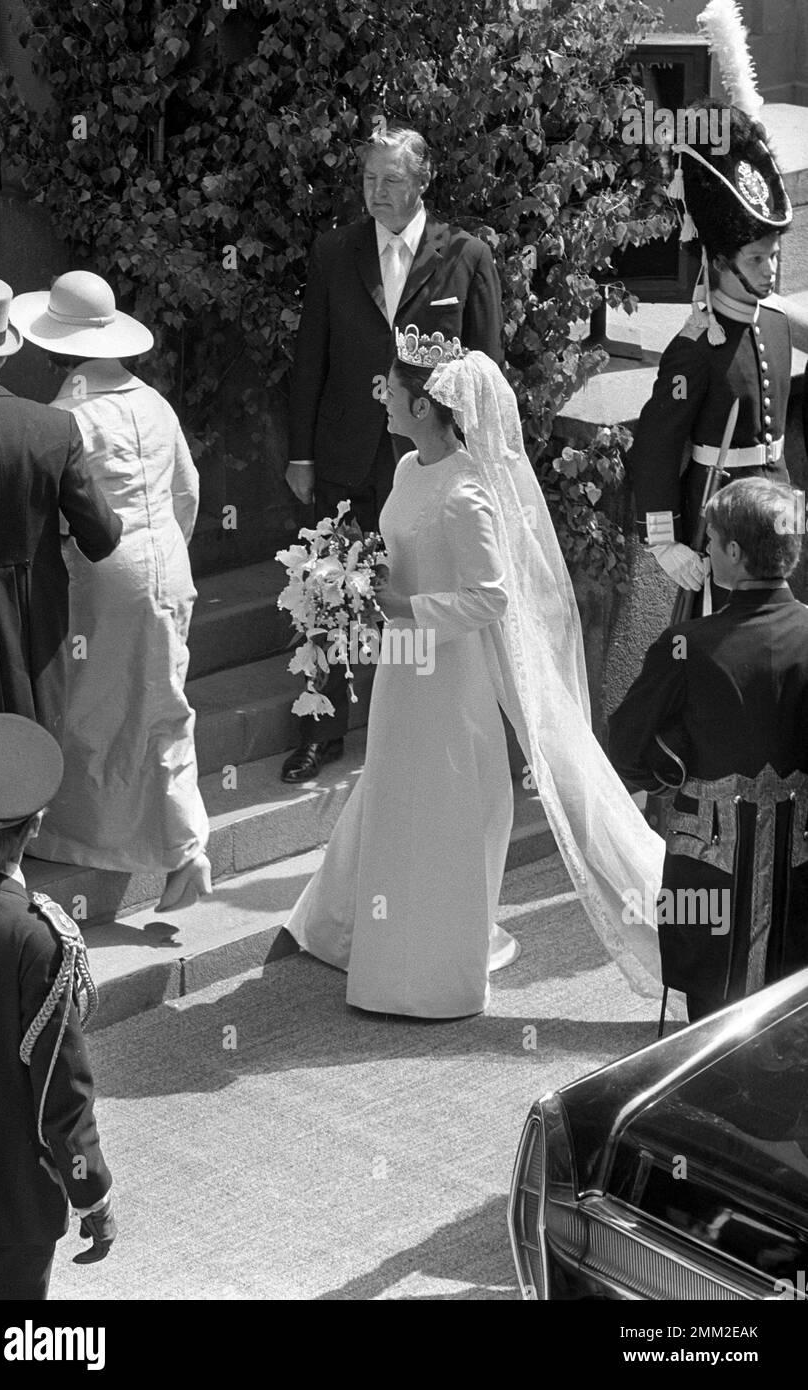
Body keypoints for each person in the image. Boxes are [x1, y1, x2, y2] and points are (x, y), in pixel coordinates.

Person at [284, 330, 666, 1018]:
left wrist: (404, 604)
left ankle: (430, 969)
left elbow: (491, 596)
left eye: (393, 394)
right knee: (396, 789)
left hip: (449, 676)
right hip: (405, 666)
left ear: (427, 407)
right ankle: (372, 931)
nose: (384, 402)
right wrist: (348, 581)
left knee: (441, 802)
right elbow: (397, 554)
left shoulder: (468, 494)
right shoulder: (406, 472)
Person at [281, 124, 504, 783]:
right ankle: (320, 731)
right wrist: (300, 453)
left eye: (392, 181)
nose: (377, 193)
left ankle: (407, 731)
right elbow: (310, 358)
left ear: (423, 182)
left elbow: (486, 369)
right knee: (328, 586)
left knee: (417, 591)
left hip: (431, 460)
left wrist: (481, 460)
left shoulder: (466, 254)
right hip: (345, 449)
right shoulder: (333, 251)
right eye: (369, 179)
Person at [9, 272, 211, 910]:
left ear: (58, 349)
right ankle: (181, 846)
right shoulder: (154, 401)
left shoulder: (63, 415)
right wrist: (166, 552)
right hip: (167, 565)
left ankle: (120, 841)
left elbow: (54, 517)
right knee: (163, 700)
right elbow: (187, 489)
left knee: (100, 710)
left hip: (100, 575)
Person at [608, 478, 808, 1024]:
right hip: (801, 878)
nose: (707, 550)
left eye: (714, 541)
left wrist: (671, 764)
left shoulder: (687, 647)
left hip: (707, 879)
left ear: (736, 554)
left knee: (709, 1045)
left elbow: (624, 750)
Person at [0, 713, 115, 1299]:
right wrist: (90, 1189)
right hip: (5, 1201)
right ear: (37, 827)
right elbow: (59, 1093)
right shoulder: (37, 938)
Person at [628, 100, 793, 616]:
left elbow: (777, 450)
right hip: (722, 532)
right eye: (756, 259)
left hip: (780, 519)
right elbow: (657, 442)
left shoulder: (777, 326)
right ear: (720, 261)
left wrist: (797, 521)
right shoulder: (696, 346)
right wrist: (664, 540)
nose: (769, 270)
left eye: (773, 256)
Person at [0, 270, 122, 734]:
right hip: (36, 651)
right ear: (1, 358)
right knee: (30, 782)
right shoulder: (54, 429)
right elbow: (104, 536)